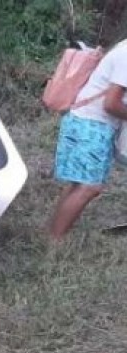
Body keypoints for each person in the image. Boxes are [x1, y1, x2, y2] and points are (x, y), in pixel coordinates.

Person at [48, 40, 127, 241]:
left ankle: (52, 236)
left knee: (80, 184)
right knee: (90, 187)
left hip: (85, 120)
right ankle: (54, 241)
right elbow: (111, 104)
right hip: (92, 124)